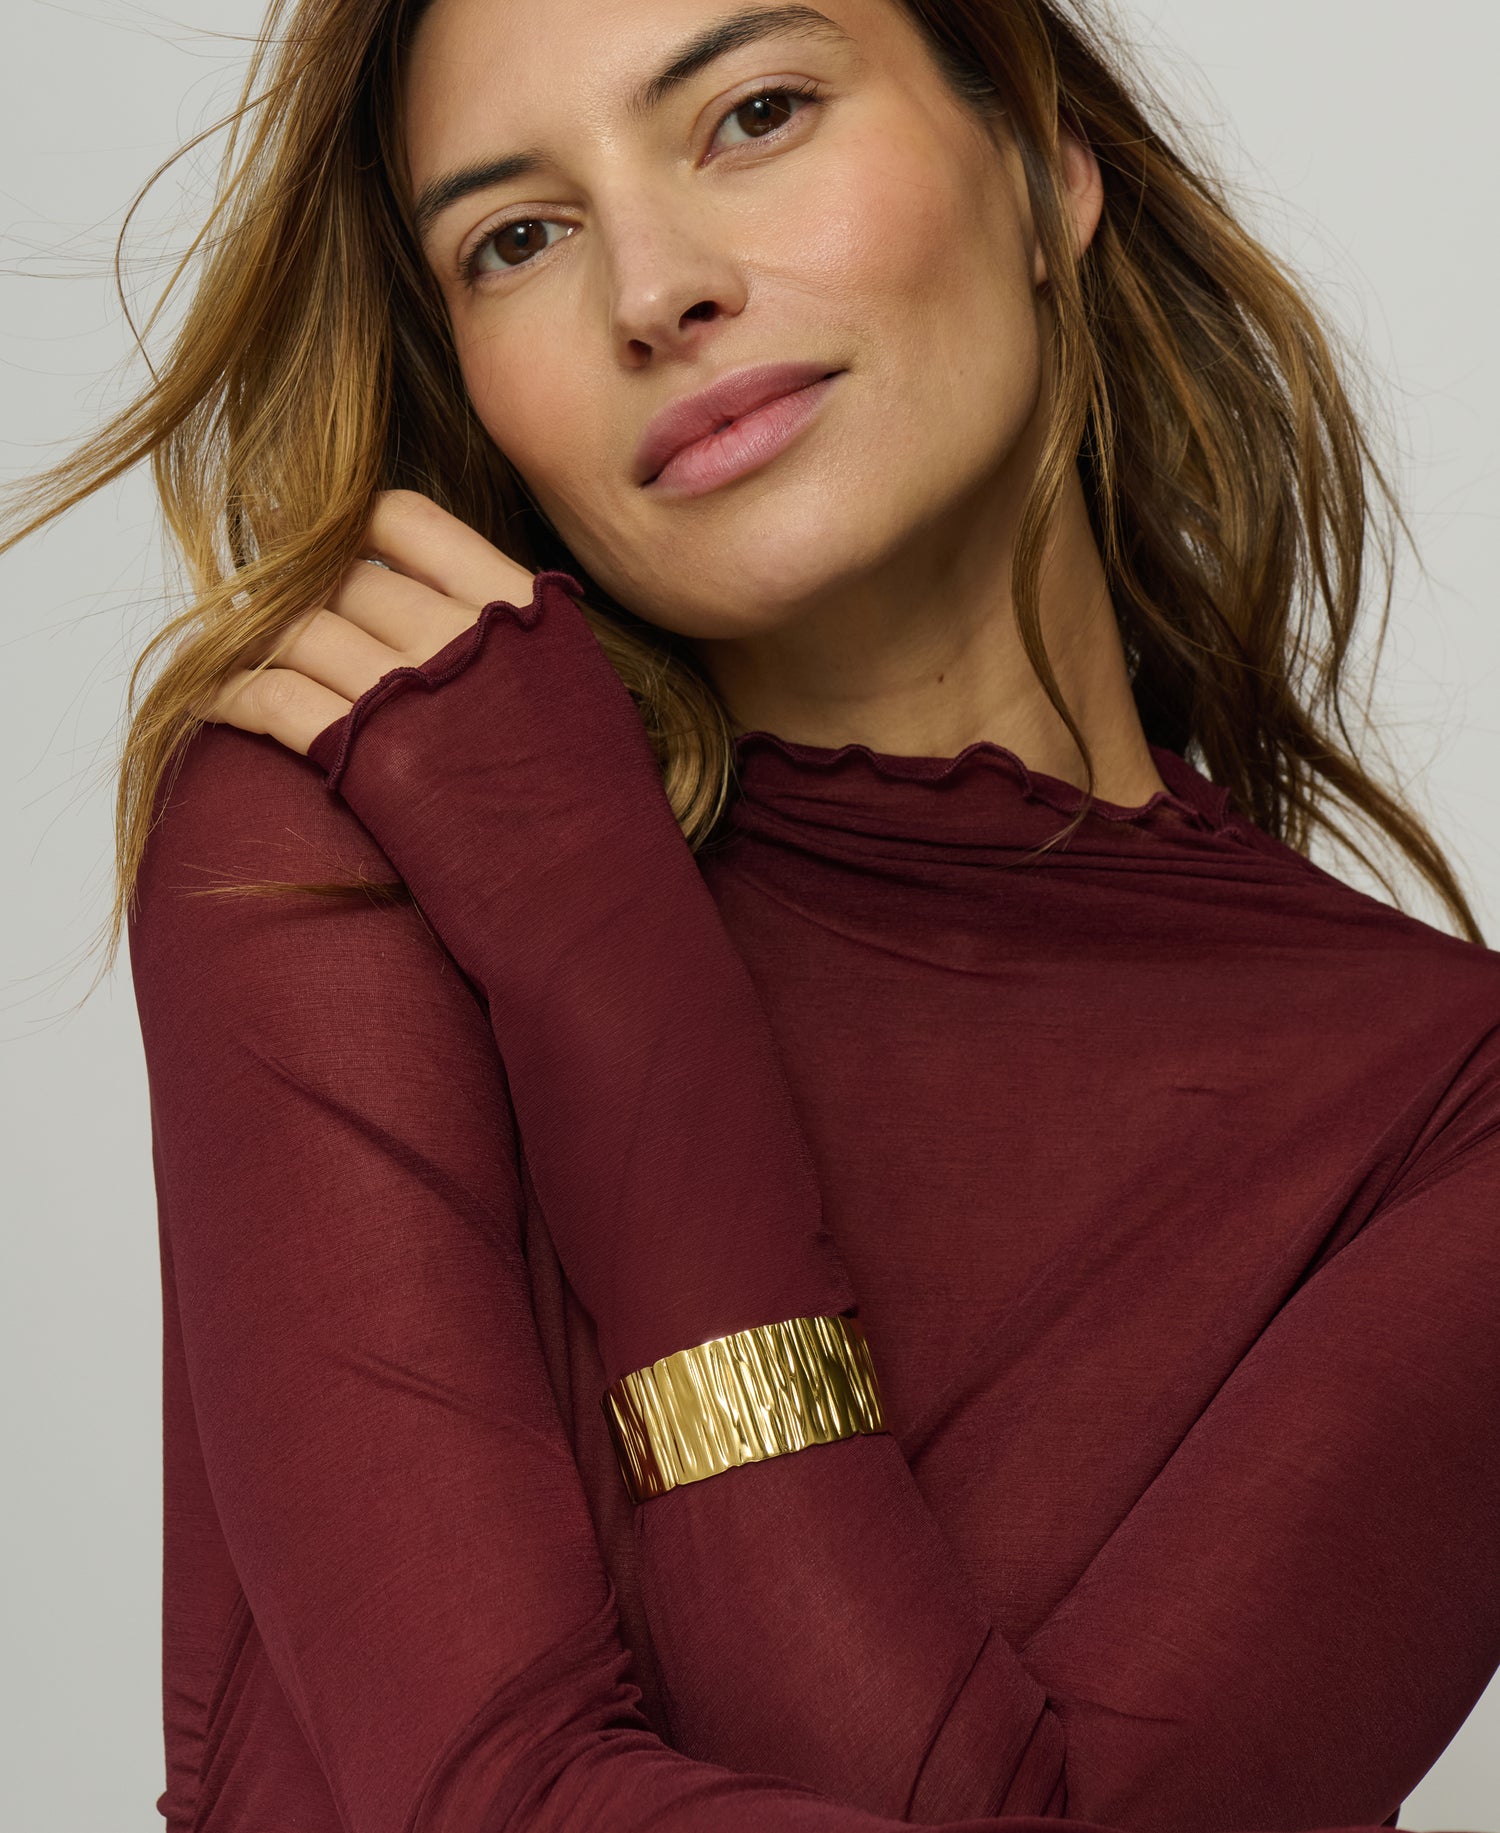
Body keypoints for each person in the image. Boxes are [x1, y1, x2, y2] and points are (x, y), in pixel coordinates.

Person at [5, 0, 1497, 1828]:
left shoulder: (1448, 1104)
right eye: (517, 237)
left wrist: (613, 982)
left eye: (755, 113)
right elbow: (482, 1797)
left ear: (1040, 159)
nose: (651, 287)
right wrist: (565, 906)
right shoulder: (347, 837)